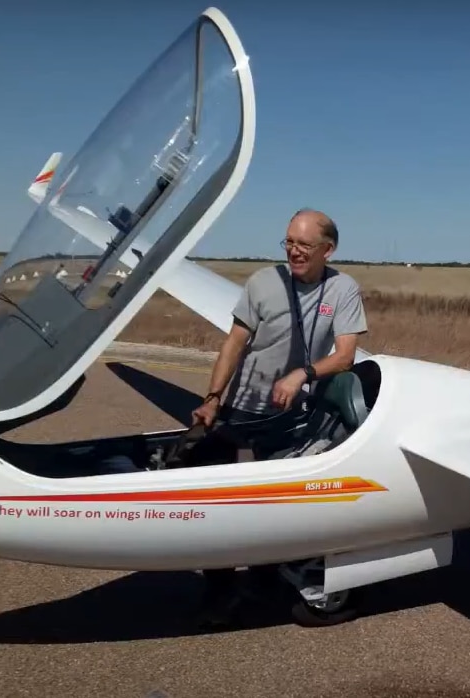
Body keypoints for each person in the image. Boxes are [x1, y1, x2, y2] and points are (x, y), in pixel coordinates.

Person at [189, 207, 368, 626]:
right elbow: (234, 343)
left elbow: (345, 356)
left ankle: (268, 578)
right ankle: (220, 587)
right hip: (243, 409)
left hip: (291, 416)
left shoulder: (343, 290)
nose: (294, 251)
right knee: (218, 504)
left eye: (304, 244)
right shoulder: (262, 282)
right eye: (289, 242)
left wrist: (301, 374)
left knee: (277, 506)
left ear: (328, 249)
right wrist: (213, 398)